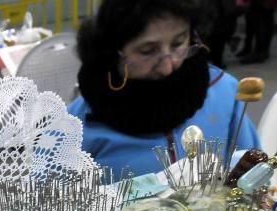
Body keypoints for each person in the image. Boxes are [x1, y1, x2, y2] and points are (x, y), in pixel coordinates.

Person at [67, 0, 260, 177]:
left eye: (178, 43)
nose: (168, 67)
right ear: (112, 52)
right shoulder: (74, 126)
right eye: (148, 51)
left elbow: (253, 171)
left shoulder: (224, 92)